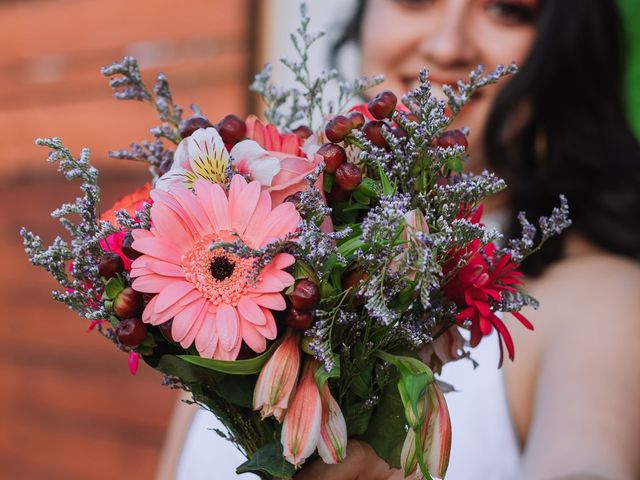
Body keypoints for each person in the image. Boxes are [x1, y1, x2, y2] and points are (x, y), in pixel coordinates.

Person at [159, 1, 640, 478]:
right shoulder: (244, 271)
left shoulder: (603, 300)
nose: (447, 45)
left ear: (566, 52)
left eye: (507, 10)